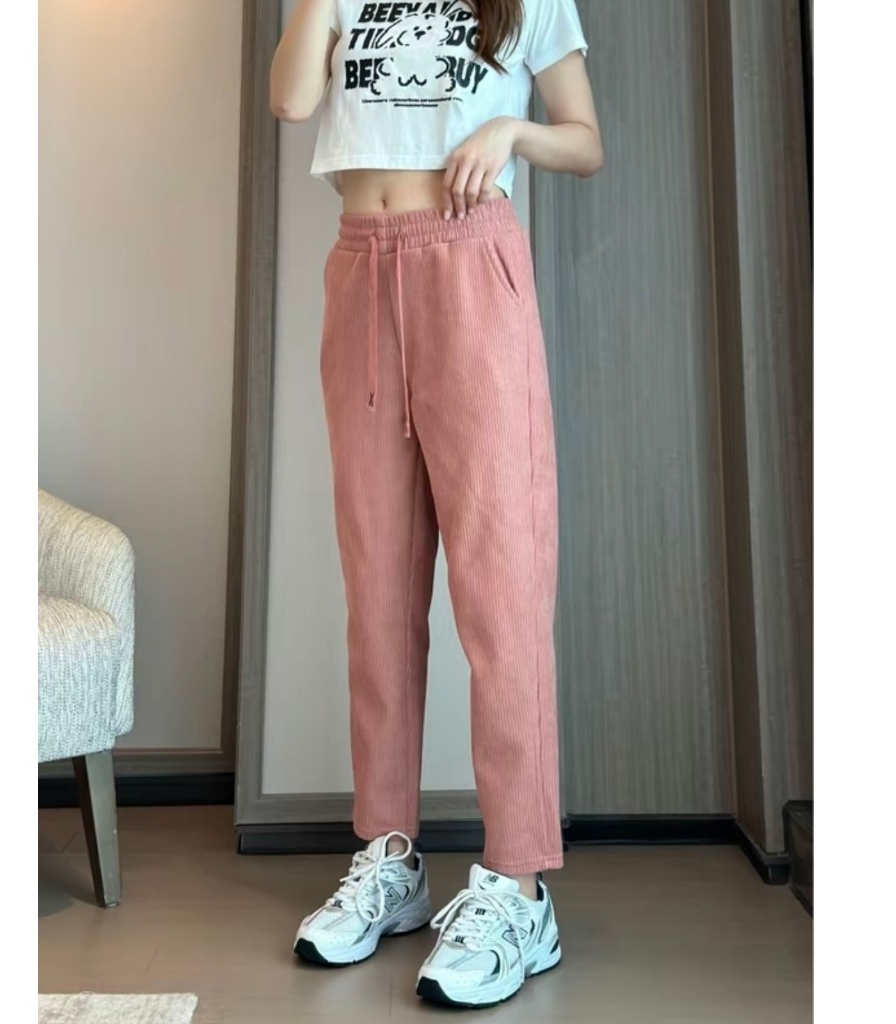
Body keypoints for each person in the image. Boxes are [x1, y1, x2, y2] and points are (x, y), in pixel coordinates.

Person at [269, 0, 603, 1008]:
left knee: (501, 591)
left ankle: (519, 885)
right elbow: (291, 99)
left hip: (471, 261)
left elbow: (585, 140)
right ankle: (390, 857)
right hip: (361, 269)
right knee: (376, 589)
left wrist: (511, 132)